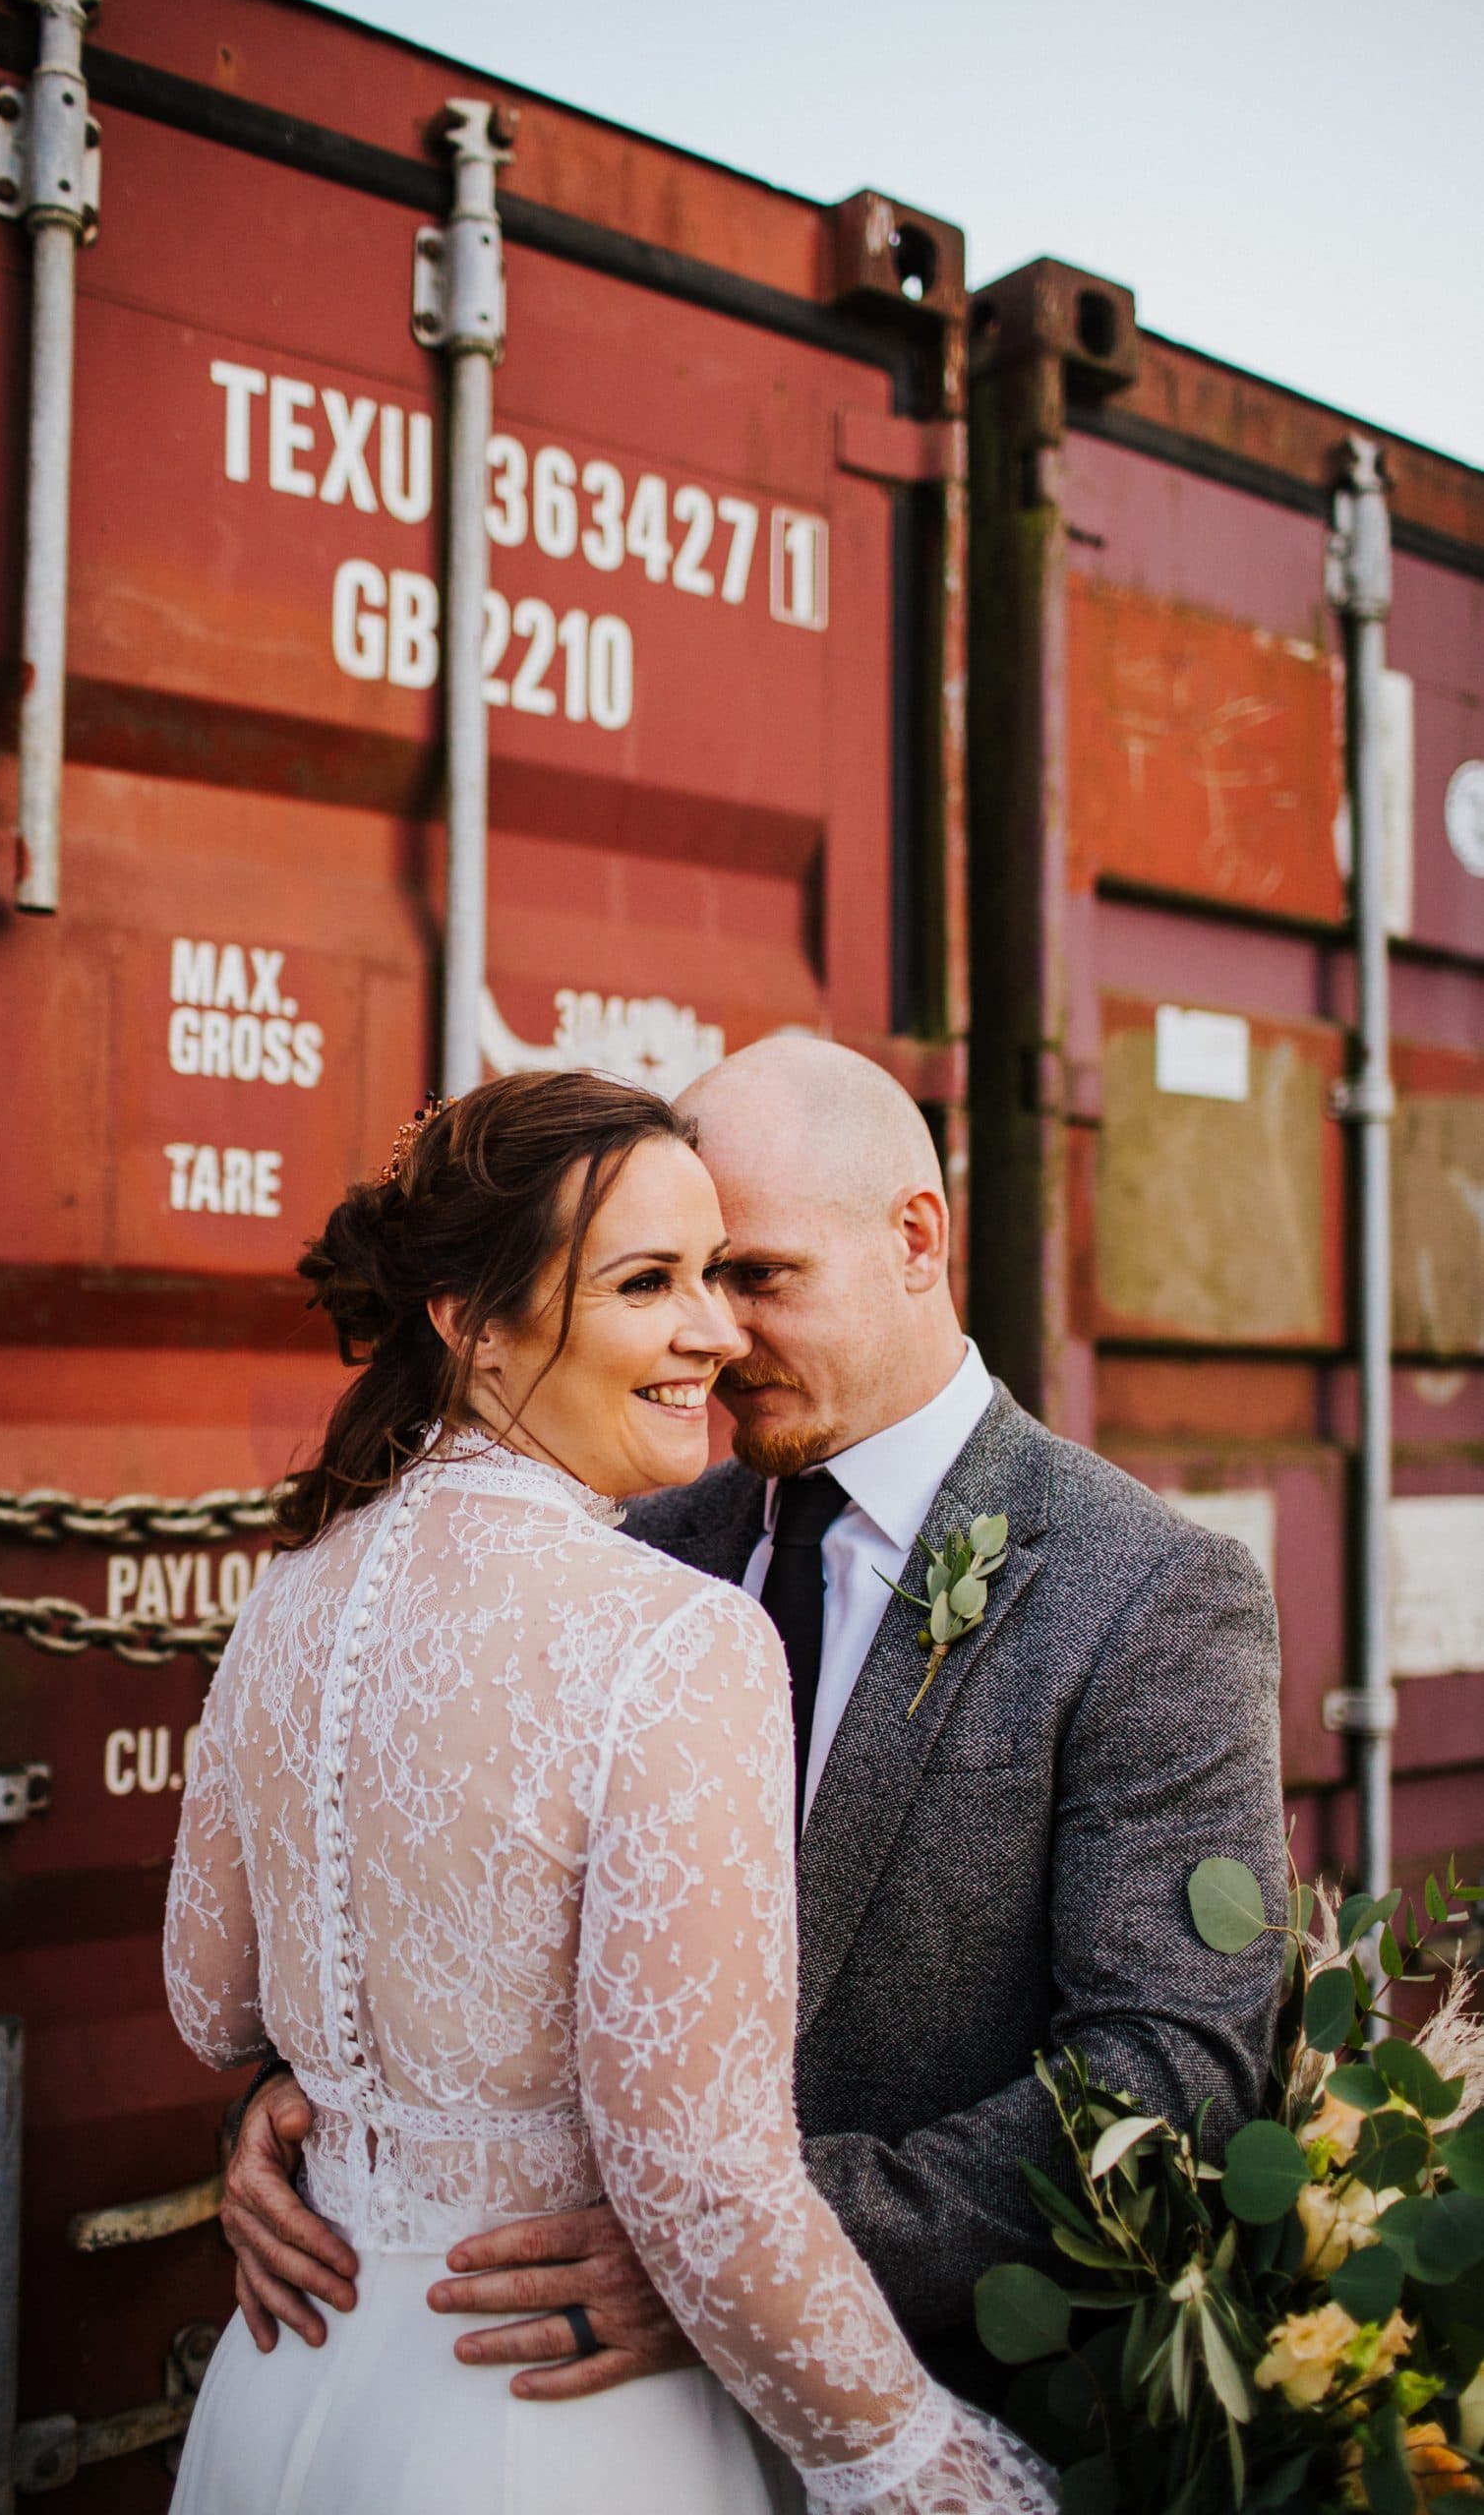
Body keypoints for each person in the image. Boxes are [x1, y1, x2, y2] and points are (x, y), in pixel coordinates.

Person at [220, 1037, 1287, 2424]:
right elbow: (427, 1902)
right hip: (562, 2409)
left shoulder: (1148, 1595)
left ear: (917, 1239)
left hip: (926, 2383)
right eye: (683, 1277)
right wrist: (297, 2105)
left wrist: (728, 2256)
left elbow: (1173, 2073)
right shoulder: (629, 1551)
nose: (715, 1335)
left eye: (758, 1276)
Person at [164, 1068, 1056, 2514]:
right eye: (652, 1282)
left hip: (295, 2389)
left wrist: (343, 2108)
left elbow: (212, 2008)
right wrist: (927, 2472)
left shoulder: (285, 1604)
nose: (716, 1331)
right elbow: (703, 2186)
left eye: (720, 1273)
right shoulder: (673, 1636)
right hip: (550, 2429)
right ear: (470, 1321)